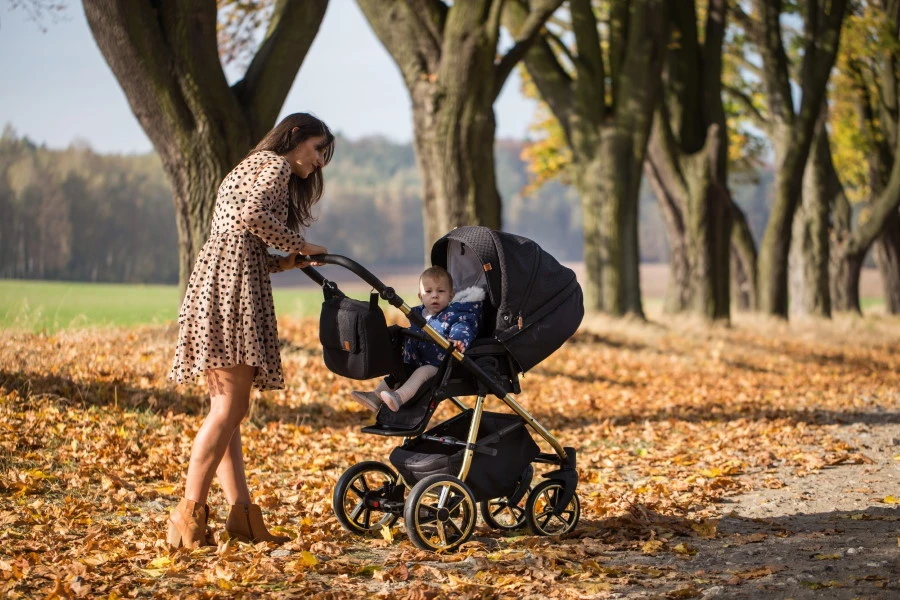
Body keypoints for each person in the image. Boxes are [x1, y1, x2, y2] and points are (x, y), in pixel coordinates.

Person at [166, 113, 334, 549]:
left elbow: (239, 238)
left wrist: (284, 262)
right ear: (295, 137)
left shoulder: (250, 165)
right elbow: (251, 214)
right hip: (232, 294)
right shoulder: (275, 166)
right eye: (317, 149)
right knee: (229, 411)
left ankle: (242, 516)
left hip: (220, 283)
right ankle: (188, 516)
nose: (319, 162)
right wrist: (300, 244)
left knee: (228, 413)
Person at [351, 266, 484, 412]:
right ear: (421, 296)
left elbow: (463, 327)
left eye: (441, 291)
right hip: (416, 358)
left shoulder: (457, 314)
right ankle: (375, 397)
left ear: (451, 296)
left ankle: (399, 397)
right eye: (429, 291)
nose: (434, 295)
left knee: (421, 373)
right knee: (398, 371)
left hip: (440, 364)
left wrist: (457, 340)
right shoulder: (419, 314)